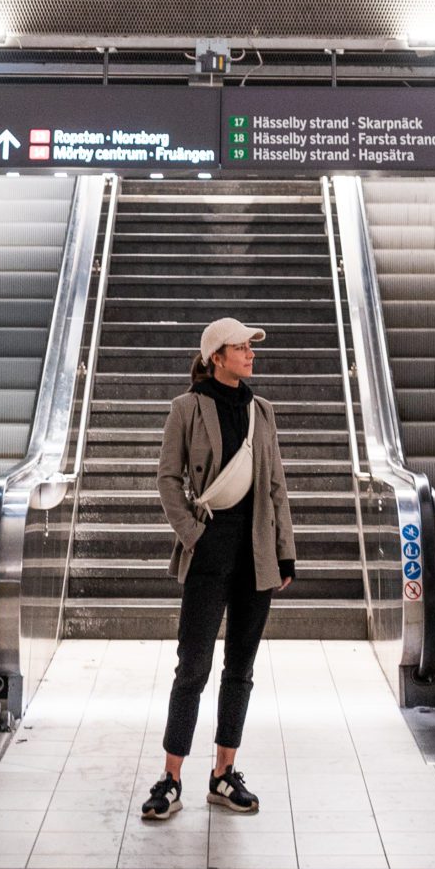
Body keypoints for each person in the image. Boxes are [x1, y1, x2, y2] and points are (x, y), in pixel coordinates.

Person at [141, 317, 296, 823]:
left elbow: (275, 489)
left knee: (241, 670)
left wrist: (285, 551)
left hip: (256, 555)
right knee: (193, 669)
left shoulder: (262, 411)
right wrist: (194, 536)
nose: (251, 354)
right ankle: (171, 777)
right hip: (209, 553)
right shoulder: (186, 409)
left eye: (251, 347)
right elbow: (168, 480)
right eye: (242, 347)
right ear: (216, 357)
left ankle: (223, 773)